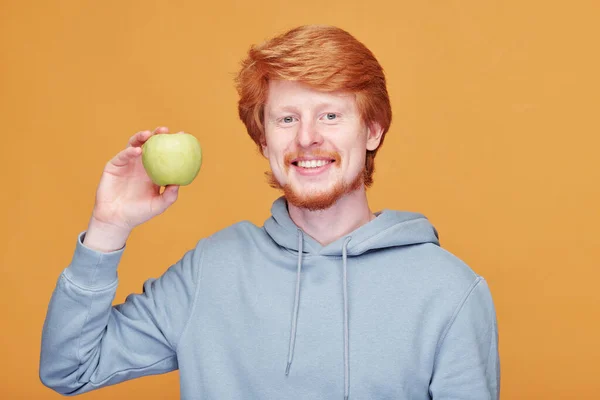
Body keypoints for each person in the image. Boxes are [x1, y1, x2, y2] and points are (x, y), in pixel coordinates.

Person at [39, 25, 500, 400]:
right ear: (264, 141)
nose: (307, 138)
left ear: (373, 131)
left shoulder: (450, 291)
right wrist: (108, 227)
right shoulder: (212, 270)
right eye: (286, 119)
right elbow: (70, 368)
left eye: (331, 116)